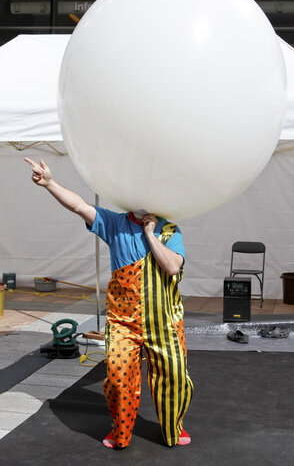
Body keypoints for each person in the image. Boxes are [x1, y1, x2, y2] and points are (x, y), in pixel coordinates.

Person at [24, 157, 193, 449]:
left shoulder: (170, 231)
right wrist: (50, 182)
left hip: (164, 321)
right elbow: (79, 206)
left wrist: (150, 234)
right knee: (118, 378)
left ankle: (173, 428)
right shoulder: (114, 223)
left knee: (174, 377)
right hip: (123, 321)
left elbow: (172, 267)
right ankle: (121, 431)